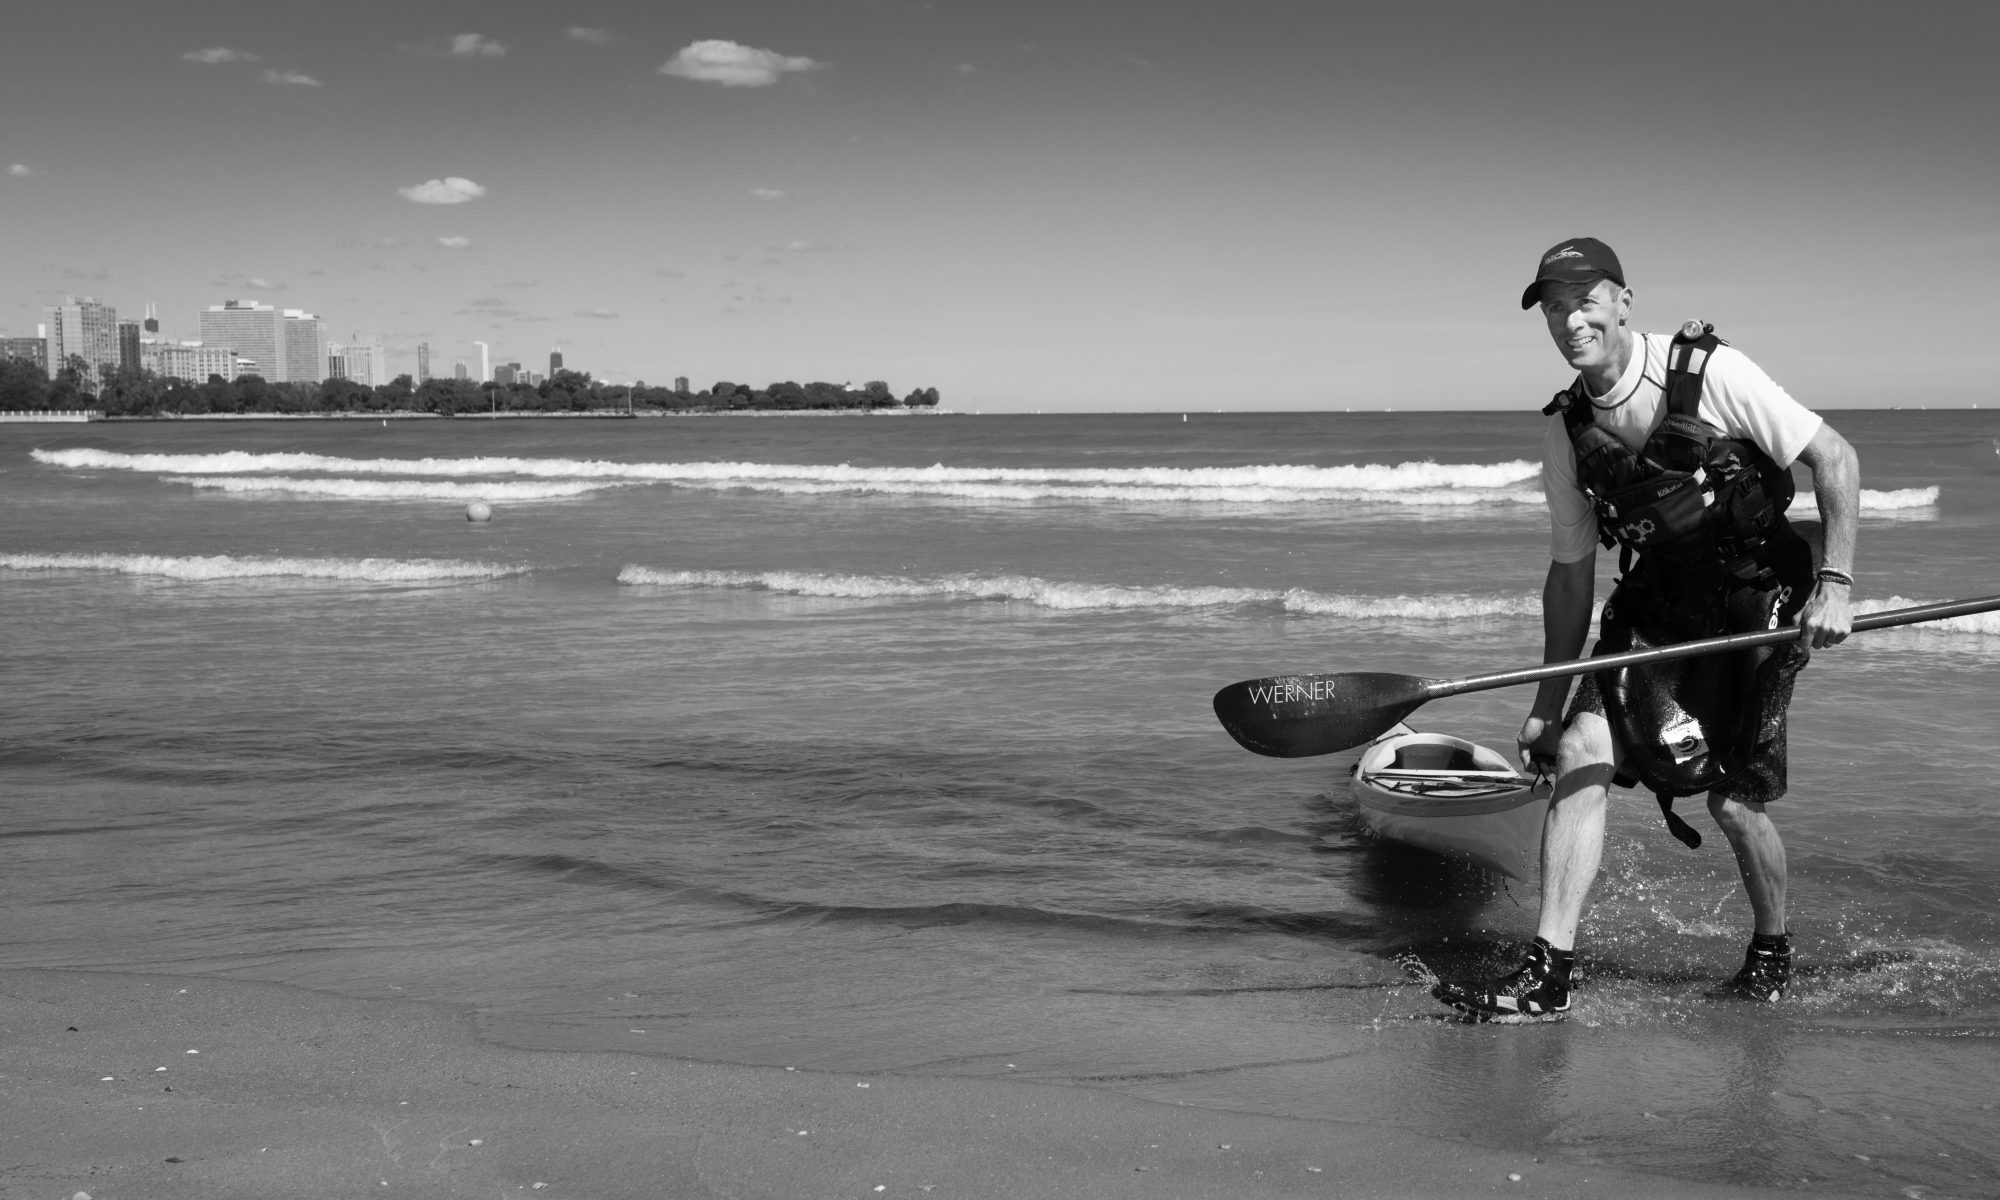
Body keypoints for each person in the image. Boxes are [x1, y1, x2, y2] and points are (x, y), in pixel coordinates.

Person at [1431, 237, 1859, 1019]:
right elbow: (1570, 576)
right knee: (1579, 749)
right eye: (1554, 308)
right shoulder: (1566, 432)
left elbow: (1835, 458)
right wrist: (1545, 704)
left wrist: (1834, 584)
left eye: (1584, 301)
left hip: (1755, 595)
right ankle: (1548, 974)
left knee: (1732, 803)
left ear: (1623, 302)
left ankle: (1771, 949)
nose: (1570, 321)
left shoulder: (1709, 373)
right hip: (1658, 604)